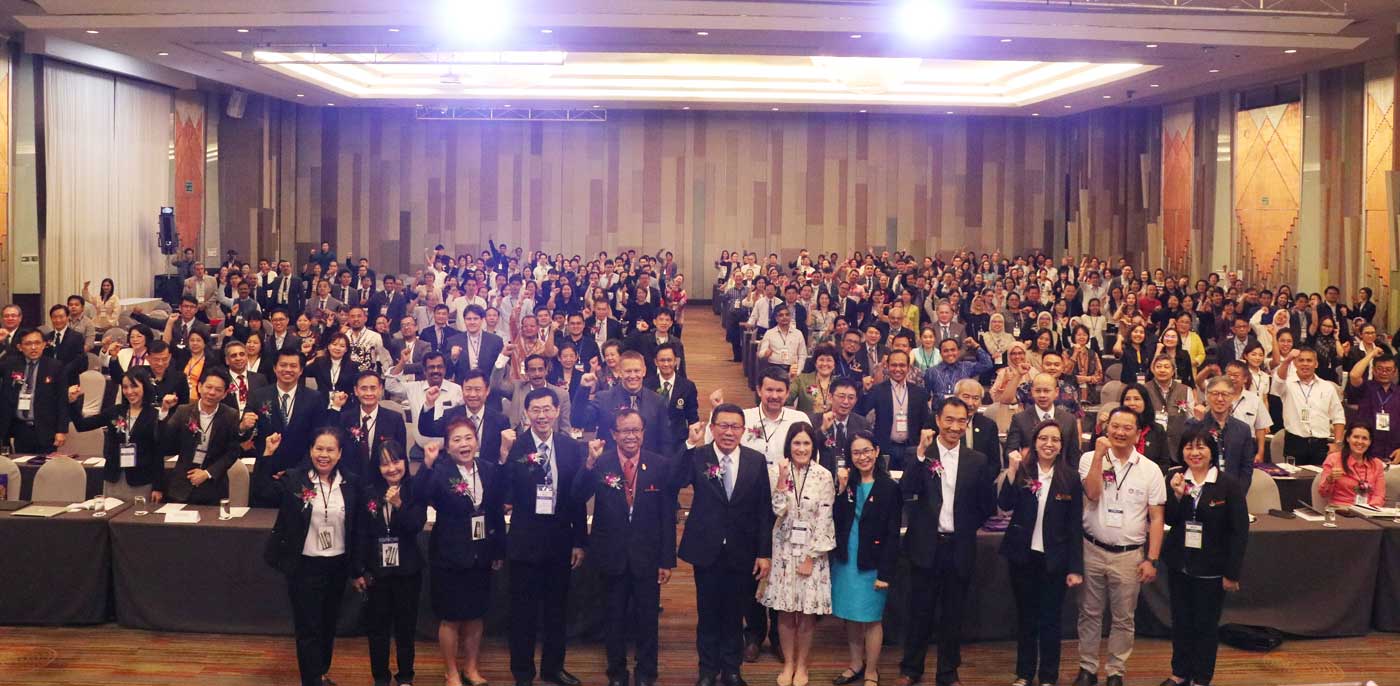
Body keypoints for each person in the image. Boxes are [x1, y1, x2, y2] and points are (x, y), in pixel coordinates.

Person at [896, 398, 997, 686]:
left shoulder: (977, 460)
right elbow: (906, 491)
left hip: (959, 547)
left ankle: (948, 673)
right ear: (938, 419)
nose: (954, 426)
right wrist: (918, 455)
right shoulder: (920, 454)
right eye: (949, 420)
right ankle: (910, 669)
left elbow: (987, 506)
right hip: (925, 545)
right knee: (919, 612)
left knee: (953, 615)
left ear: (967, 423)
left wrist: (965, 527)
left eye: (960, 421)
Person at [572, 410, 676, 686]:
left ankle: (646, 673)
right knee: (613, 618)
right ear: (614, 434)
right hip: (610, 555)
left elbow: (667, 515)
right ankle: (616, 672)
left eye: (636, 430)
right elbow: (577, 495)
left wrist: (666, 560)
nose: (630, 436)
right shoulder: (601, 463)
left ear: (643, 433)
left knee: (647, 620)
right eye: (624, 431)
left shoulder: (659, 465)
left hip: (648, 556)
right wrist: (589, 464)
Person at [672, 404, 773, 686]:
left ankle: (732, 669)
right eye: (723, 426)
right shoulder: (699, 456)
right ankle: (707, 670)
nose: (729, 432)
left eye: (735, 427)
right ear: (713, 428)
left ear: (743, 430)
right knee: (708, 612)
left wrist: (765, 553)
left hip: (743, 549)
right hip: (707, 548)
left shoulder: (755, 459)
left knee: (734, 612)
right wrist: (690, 443)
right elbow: (675, 479)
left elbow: (764, 510)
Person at [264, 427, 367, 686]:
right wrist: (267, 456)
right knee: (308, 628)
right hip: (304, 565)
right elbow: (263, 493)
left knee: (328, 624)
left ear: (340, 453)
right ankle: (311, 681)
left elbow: (356, 529)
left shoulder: (351, 482)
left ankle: (320, 672)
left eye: (330, 449)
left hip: (337, 564)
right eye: (319, 449)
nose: (324, 455)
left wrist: (356, 570)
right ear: (310, 451)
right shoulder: (295, 479)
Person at [1073, 407, 1166, 686]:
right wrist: (1100, 456)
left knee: (1124, 618)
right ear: (1105, 428)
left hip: (1129, 555)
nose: (1120, 432)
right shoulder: (1089, 458)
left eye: (1127, 428)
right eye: (1115, 426)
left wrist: (1152, 559)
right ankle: (1087, 668)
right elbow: (1092, 493)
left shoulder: (1150, 470)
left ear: (1138, 433)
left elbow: (1157, 517)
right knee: (1089, 613)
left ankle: (1116, 671)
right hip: (1091, 549)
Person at [502, 387, 589, 686]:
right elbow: (506, 493)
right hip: (525, 541)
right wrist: (504, 458)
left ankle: (554, 668)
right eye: (535, 410)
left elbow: (576, 497)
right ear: (527, 414)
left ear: (556, 412)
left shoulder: (570, 447)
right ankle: (523, 673)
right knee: (523, 613)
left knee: (556, 611)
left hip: (560, 541)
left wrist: (579, 540)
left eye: (546, 409)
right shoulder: (516, 446)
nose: (541, 415)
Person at [998, 420, 1084, 686]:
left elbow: (1074, 526)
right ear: (1034, 442)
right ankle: (1024, 674)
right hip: (1023, 558)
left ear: (1062, 445)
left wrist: (1075, 568)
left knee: (1050, 620)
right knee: (1026, 619)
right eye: (1043, 438)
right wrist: (1011, 471)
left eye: (1055, 440)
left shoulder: (1070, 477)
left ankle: (1048, 676)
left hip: (1054, 561)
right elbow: (1004, 504)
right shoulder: (1024, 470)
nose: (1049, 444)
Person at [1161, 425, 1249, 686]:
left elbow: (1239, 532)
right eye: (1189, 447)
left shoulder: (1228, 485)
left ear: (1212, 451)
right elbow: (1170, 519)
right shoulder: (1176, 478)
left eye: (1201, 447)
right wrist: (1177, 496)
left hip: (1212, 568)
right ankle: (1179, 673)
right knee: (1181, 622)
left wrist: (1231, 573)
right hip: (1180, 565)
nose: (1194, 452)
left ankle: (1200, 678)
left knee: (1205, 626)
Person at [420, 418, 504, 686]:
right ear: (447, 446)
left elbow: (495, 513)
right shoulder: (441, 472)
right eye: (456, 440)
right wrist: (428, 464)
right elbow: (421, 495)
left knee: (476, 615)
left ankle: (471, 668)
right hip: (449, 555)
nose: (463, 444)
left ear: (476, 441)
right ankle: (451, 671)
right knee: (451, 617)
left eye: (468, 438)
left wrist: (498, 549)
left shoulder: (488, 470)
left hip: (481, 554)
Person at [762, 423, 836, 686]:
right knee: (784, 610)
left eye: (806, 443)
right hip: (783, 549)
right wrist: (782, 478)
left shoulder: (824, 475)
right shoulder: (776, 471)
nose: (801, 448)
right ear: (789, 446)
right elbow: (777, 509)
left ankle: (802, 665)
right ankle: (789, 663)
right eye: (796, 443)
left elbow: (826, 518)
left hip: (812, 552)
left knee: (805, 612)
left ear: (813, 446)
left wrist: (811, 557)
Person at [830, 431, 900, 686]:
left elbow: (893, 534)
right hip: (846, 559)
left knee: (871, 618)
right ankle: (855, 663)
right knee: (850, 614)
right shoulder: (847, 483)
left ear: (877, 451)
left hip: (873, 561)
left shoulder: (889, 487)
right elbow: (836, 519)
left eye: (867, 450)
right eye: (857, 452)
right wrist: (839, 489)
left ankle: (871, 670)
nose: (863, 457)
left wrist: (885, 573)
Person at [358, 440, 426, 686]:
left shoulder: (415, 489)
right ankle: (380, 677)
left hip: (408, 570)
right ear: (378, 468)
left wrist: (399, 504)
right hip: (377, 572)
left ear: (405, 463)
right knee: (378, 630)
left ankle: (406, 677)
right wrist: (361, 570)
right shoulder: (368, 493)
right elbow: (362, 533)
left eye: (396, 461)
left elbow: (416, 525)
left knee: (405, 629)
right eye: (385, 463)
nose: (392, 468)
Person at [248, 350, 334, 507]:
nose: (288, 369)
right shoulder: (258, 396)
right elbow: (247, 435)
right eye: (283, 365)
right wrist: (243, 427)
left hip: (302, 473)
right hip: (267, 472)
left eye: (293, 366)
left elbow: (318, 439)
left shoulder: (314, 398)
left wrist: (297, 471)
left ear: (301, 370)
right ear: (275, 368)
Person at [67, 366, 162, 500]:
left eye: (134, 386)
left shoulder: (154, 415)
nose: (129, 391)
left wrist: (158, 487)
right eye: (125, 387)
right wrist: (72, 403)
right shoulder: (115, 411)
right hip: (114, 477)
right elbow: (82, 426)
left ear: (144, 387)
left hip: (141, 480)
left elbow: (158, 453)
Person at [157, 366, 246, 504]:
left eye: (218, 390)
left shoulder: (230, 415)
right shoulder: (183, 411)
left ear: (224, 394)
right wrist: (164, 411)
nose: (211, 393)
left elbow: (233, 451)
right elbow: (165, 440)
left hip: (213, 487)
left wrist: (207, 473)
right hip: (181, 486)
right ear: (199, 387)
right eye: (208, 387)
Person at [575, 351, 672, 456]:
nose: (633, 375)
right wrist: (583, 389)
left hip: (647, 467)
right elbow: (578, 421)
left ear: (644, 371)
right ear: (620, 372)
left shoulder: (657, 401)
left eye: (637, 371)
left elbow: (665, 442)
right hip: (611, 466)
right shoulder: (603, 399)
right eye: (628, 371)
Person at [855, 350, 931, 470]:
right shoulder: (878, 390)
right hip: (885, 447)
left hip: (911, 447)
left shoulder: (919, 392)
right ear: (887, 366)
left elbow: (925, 421)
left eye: (902, 365)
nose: (897, 369)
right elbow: (861, 411)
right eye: (894, 365)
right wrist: (864, 392)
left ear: (908, 367)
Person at [1271, 347, 1346, 466]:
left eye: (1309, 360)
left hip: (1321, 445)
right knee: (1296, 480)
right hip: (1295, 443)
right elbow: (1278, 381)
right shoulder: (1287, 384)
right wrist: (1287, 360)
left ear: (1316, 364)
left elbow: (1338, 416)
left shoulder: (1327, 387)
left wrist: (1337, 444)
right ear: (1295, 363)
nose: (1305, 364)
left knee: (1320, 481)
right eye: (1301, 360)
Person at [0, 328, 70, 453]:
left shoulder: (55, 366)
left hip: (45, 428)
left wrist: (61, 430)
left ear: (44, 344)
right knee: (18, 468)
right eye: (28, 344)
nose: (33, 347)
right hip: (17, 428)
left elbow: (62, 400)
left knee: (45, 470)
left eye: (37, 343)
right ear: (20, 347)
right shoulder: (11, 364)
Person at [338, 371, 407, 479]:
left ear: (380, 390)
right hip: (351, 481)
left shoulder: (395, 419)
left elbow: (401, 457)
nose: (369, 393)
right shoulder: (344, 419)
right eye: (364, 388)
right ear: (356, 391)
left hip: (383, 480)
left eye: (373, 388)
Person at [1007, 374, 1082, 465]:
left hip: (1061, 475)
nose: (1042, 395)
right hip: (1030, 473)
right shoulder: (1019, 419)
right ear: (1032, 392)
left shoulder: (1069, 420)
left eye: (1046, 391)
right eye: (1038, 391)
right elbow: (1010, 451)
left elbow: (1073, 455)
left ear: (1056, 392)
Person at [1197, 376, 1257, 487]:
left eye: (1225, 394)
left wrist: (1238, 495)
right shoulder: (1195, 426)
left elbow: (1246, 468)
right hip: (1203, 491)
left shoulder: (1243, 429)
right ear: (1207, 396)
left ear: (1232, 397)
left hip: (1234, 492)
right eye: (1215, 393)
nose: (1220, 399)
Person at [644, 341, 699, 457]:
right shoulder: (647, 385)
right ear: (655, 362)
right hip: (653, 442)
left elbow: (692, 416)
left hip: (678, 441)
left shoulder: (687, 386)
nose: (666, 364)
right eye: (662, 360)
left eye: (669, 360)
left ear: (676, 361)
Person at [1348, 351, 1400, 463]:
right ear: (1373, 370)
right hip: (1365, 452)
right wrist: (1371, 354)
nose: (1384, 373)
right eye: (1380, 369)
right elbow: (1354, 375)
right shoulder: (1366, 387)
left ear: (1395, 372)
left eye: (1388, 369)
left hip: (1394, 454)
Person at [1318, 423, 1386, 508]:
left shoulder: (1377, 464)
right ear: (1347, 438)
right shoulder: (1334, 459)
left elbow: (1379, 496)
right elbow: (1323, 493)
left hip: (1367, 513)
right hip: (1340, 511)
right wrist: (1330, 479)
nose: (1360, 442)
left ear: (1370, 442)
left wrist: (1369, 510)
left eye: (1364, 438)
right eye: (1356, 437)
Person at [922, 337, 993, 400]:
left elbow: (987, 364)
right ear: (940, 353)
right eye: (946, 351)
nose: (950, 353)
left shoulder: (967, 367)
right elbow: (926, 396)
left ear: (958, 352)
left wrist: (976, 346)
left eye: (953, 350)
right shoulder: (931, 372)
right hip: (940, 412)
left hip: (962, 411)